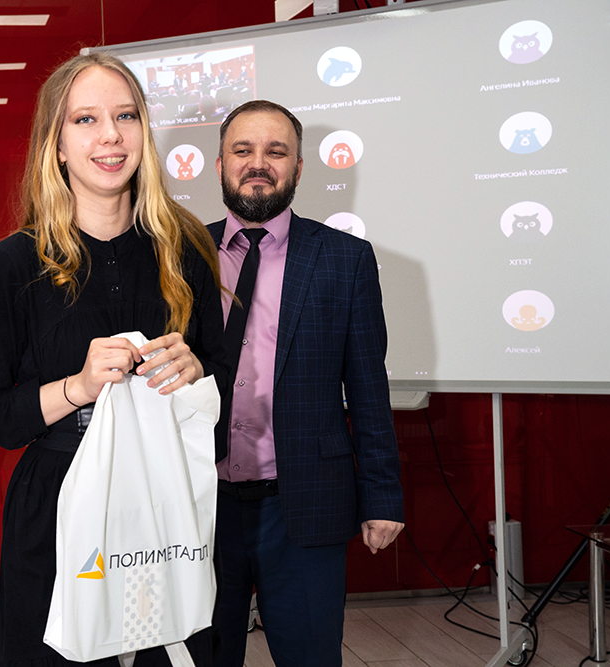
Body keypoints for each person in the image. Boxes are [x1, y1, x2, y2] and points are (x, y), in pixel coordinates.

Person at [0, 52, 229, 667]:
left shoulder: (185, 248)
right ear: (55, 146)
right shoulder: (13, 264)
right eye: (85, 120)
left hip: (164, 498)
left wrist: (198, 375)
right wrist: (76, 387)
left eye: (126, 116)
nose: (111, 135)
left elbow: (225, 395)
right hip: (57, 506)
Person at [207, 100, 405, 666]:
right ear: (220, 164)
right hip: (200, 507)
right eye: (243, 150)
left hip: (305, 504)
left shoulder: (344, 258)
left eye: (276, 152)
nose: (258, 163)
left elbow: (367, 386)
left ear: (297, 168)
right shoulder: (180, 252)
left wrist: (382, 495)